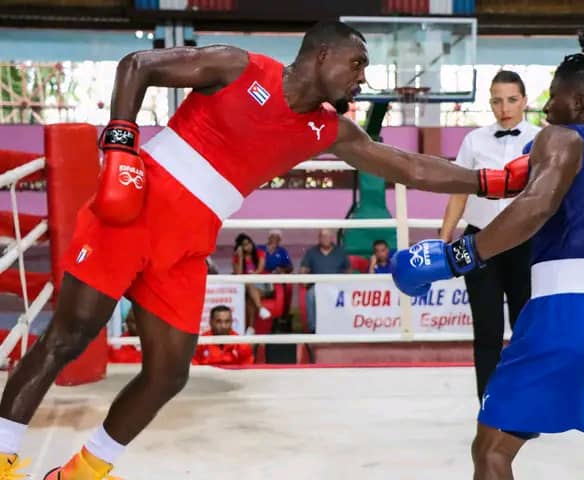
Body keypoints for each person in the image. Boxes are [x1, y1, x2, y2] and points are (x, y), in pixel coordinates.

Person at [0, 21, 527, 479]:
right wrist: (119, 142)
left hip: (186, 244)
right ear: (323, 55)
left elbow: (408, 166)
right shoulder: (239, 67)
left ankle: (83, 470)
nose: (362, 77)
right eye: (357, 63)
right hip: (135, 210)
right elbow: (138, 64)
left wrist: (489, 181)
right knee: (68, 337)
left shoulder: (327, 128)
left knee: (168, 372)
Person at [391, 32, 584, 479]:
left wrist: (458, 256)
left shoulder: (560, 138)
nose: (546, 107)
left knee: (491, 450)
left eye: (553, 97)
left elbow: (536, 207)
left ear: (576, 102)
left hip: (566, 313)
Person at [439, 70, 540, 404]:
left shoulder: (543, 140)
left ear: (525, 100)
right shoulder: (474, 141)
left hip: (526, 242)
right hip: (479, 242)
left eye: (511, 99)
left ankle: (526, 405)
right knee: (487, 329)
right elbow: (457, 192)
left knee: (526, 331)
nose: (504, 107)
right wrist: (444, 239)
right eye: (497, 100)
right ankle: (490, 406)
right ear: (490, 103)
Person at [300, 229, 351, 333]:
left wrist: (346, 282)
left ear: (331, 238)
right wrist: (303, 275)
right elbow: (303, 268)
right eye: (323, 236)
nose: (325, 239)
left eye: (328, 236)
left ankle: (344, 326)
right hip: (318, 286)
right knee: (310, 295)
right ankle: (313, 328)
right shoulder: (311, 252)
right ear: (319, 238)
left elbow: (348, 269)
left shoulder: (340, 251)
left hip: (337, 286)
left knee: (346, 297)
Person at [232, 232, 272, 333]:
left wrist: (252, 274)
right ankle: (260, 310)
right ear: (240, 247)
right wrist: (240, 258)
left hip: (261, 284)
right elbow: (238, 275)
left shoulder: (259, 253)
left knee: (250, 297)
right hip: (246, 288)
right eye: (244, 245)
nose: (248, 246)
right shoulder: (236, 258)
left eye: (249, 243)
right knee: (249, 290)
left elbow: (260, 269)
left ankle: (250, 328)